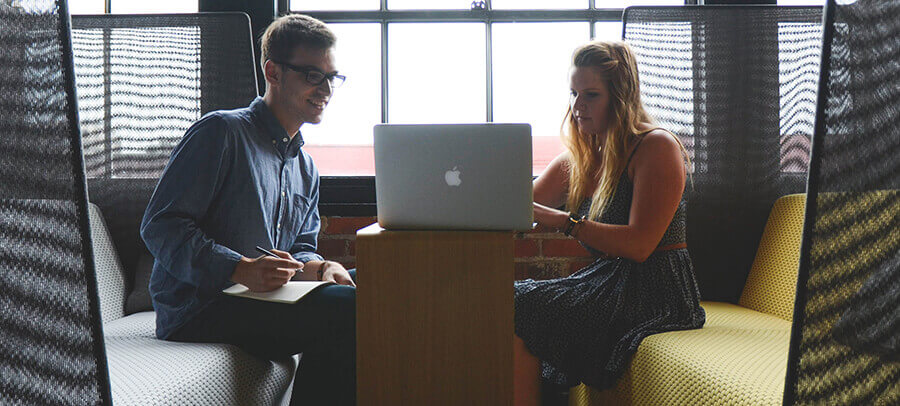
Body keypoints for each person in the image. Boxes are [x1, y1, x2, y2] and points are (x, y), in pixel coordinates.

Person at [140, 14, 356, 406]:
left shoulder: (305, 167)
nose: (326, 89)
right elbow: (160, 225)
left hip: (260, 299)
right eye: (312, 75)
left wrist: (321, 268)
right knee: (350, 311)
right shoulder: (221, 132)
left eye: (332, 77)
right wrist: (239, 268)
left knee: (376, 288)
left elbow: (300, 249)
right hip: (201, 306)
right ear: (273, 72)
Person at [513, 41, 706, 405]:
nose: (577, 106)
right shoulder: (583, 156)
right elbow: (517, 206)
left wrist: (564, 221)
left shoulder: (656, 147)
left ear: (620, 98)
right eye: (573, 93)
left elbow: (639, 245)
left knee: (518, 305)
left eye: (590, 95)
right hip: (609, 282)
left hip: (657, 290)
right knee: (508, 300)